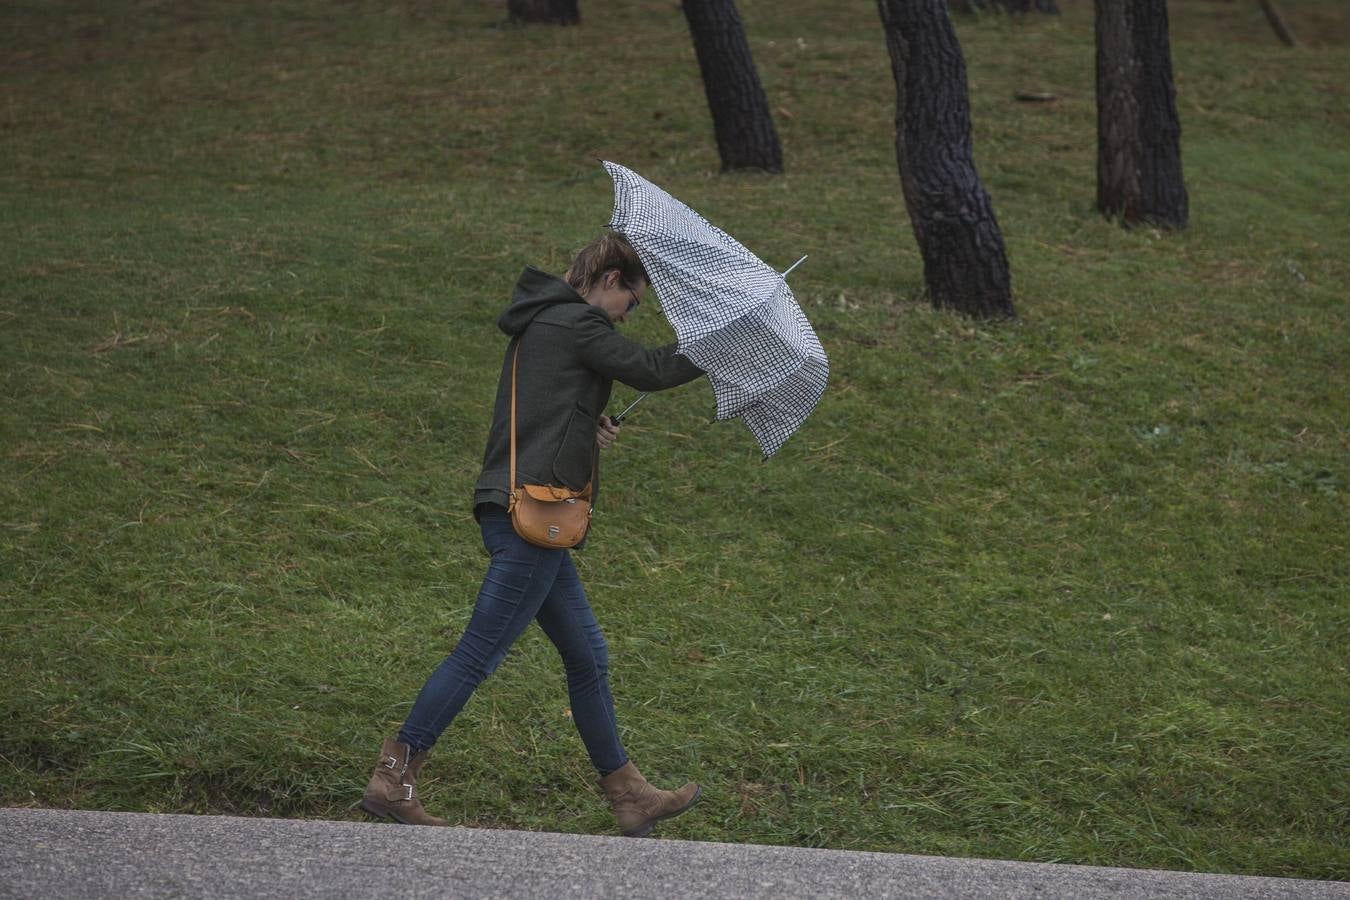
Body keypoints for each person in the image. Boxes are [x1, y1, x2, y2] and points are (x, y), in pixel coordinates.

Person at [361, 232, 706, 837]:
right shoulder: (577, 324)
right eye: (634, 300)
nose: (632, 313)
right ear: (610, 282)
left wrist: (584, 425)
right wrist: (716, 348)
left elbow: (546, 408)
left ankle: (629, 795)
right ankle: (394, 777)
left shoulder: (544, 321)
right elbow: (649, 369)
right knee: (478, 654)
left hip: (521, 506)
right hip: (533, 519)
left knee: (587, 656)